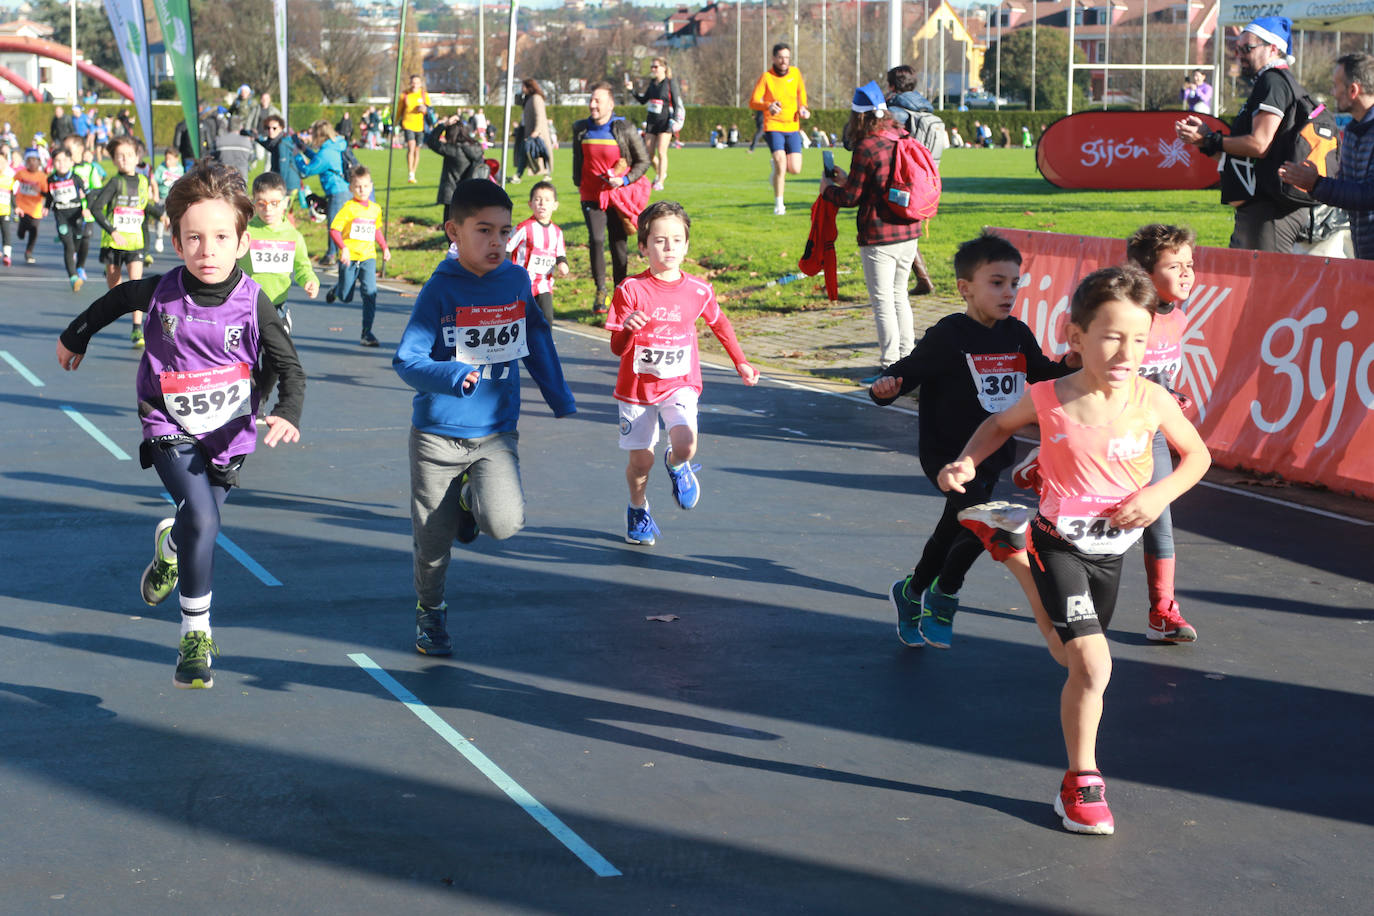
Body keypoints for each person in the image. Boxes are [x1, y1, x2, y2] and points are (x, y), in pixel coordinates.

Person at [938, 265, 1210, 834]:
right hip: (1058, 541)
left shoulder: (1153, 400)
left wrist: (1158, 494)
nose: (1125, 351)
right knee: (1093, 664)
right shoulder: (1049, 397)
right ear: (1075, 335)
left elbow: (1198, 458)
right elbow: (995, 427)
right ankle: (1080, 782)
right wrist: (967, 461)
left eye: (1138, 339)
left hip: (1111, 552)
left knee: (1071, 660)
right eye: (1111, 336)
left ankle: (1011, 555)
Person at [55, 161, 306, 690]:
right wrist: (77, 334)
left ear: (242, 242)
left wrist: (287, 411)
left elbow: (290, 366)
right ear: (175, 239)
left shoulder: (254, 303)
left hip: (229, 431)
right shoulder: (163, 292)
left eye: (219, 237)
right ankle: (196, 635)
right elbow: (118, 298)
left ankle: (170, 547)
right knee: (204, 521)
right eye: (194, 238)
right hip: (167, 421)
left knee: (199, 522)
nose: (206, 250)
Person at [393, 178, 576, 656]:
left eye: (503, 231)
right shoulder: (437, 292)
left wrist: (558, 395)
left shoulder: (516, 281)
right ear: (454, 231)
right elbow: (406, 361)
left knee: (505, 522)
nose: (496, 242)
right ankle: (430, 614)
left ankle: (471, 504)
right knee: (432, 547)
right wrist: (452, 375)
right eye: (483, 231)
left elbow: (536, 337)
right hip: (437, 438)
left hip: (495, 433)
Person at [869, 231, 1071, 648]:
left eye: (1015, 283)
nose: (1009, 292)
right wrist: (885, 388)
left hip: (993, 452)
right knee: (984, 524)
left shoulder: (1016, 333)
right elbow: (910, 369)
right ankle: (946, 592)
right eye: (997, 283)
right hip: (948, 453)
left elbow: (1042, 374)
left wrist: (1071, 364)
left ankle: (911, 591)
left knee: (955, 526)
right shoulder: (950, 335)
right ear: (965, 288)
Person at [605, 201, 759, 546]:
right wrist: (628, 328)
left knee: (686, 445)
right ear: (643, 246)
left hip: (680, 382)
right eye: (660, 240)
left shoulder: (698, 290)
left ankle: (677, 465)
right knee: (641, 463)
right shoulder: (630, 290)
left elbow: (720, 324)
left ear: (687, 244)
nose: (669, 247)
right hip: (637, 388)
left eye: (677, 239)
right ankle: (637, 508)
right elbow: (617, 348)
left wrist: (741, 361)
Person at [1176, 16, 1312, 252]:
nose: (1239, 55)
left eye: (1246, 48)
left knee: (1264, 285)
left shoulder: (1273, 82)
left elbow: (1259, 145)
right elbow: (1245, 157)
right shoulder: (1268, 82)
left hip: (1269, 212)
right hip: (1259, 208)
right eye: (1237, 48)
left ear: (1272, 48)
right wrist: (1207, 141)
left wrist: (1210, 139)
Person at [821, 82, 929, 376]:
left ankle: (890, 366)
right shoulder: (900, 136)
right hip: (909, 230)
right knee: (899, 296)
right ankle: (907, 361)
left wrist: (828, 189)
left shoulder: (866, 146)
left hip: (879, 235)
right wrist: (847, 179)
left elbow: (851, 198)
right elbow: (873, 186)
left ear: (859, 116)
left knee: (883, 302)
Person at [1280, 52, 1374, 260]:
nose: (1332, 92)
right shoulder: (1351, 131)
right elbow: (1346, 189)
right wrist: (1315, 183)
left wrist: (1316, 184)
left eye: (1335, 85)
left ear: (1353, 90)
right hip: (1364, 254)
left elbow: (1369, 195)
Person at [239, 171, 318, 413]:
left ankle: (261, 395)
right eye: (261, 204)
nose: (268, 209)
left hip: (277, 308)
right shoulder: (245, 231)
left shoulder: (293, 236)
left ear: (284, 203)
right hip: (246, 306)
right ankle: (250, 396)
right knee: (246, 359)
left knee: (275, 360)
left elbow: (303, 266)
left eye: (274, 204)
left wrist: (310, 280)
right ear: (254, 203)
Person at [571, 80, 652, 315]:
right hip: (590, 194)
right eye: (591, 99)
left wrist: (624, 181)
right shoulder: (581, 128)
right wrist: (579, 181)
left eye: (598, 100)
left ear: (610, 103)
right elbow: (579, 159)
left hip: (617, 196)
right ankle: (600, 291)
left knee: (618, 244)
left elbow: (643, 160)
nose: (592, 104)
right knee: (596, 240)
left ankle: (620, 292)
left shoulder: (623, 128)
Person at [89, 136, 152, 346]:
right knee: (116, 291)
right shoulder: (115, 182)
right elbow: (96, 209)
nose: (125, 159)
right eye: (120, 156)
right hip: (114, 243)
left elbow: (144, 209)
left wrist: (163, 215)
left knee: (136, 286)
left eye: (129, 155)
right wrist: (112, 230)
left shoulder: (143, 182)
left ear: (137, 158)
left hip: (135, 244)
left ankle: (137, 329)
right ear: (114, 160)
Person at [324, 166, 390, 347]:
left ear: (371, 186)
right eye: (358, 186)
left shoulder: (375, 209)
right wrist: (343, 248)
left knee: (370, 293)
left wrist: (384, 247)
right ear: (351, 188)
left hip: (368, 256)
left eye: (365, 186)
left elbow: (376, 229)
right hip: (349, 257)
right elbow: (334, 230)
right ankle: (336, 290)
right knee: (346, 296)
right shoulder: (348, 208)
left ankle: (367, 333)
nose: (362, 190)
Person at [750, 43, 811, 215]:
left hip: (792, 125)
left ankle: (775, 171)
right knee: (781, 162)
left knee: (795, 169)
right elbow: (753, 101)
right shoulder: (766, 77)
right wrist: (768, 105)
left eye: (787, 57)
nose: (784, 61)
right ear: (773, 58)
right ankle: (779, 205)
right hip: (773, 125)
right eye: (781, 57)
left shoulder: (796, 73)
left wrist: (803, 108)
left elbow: (802, 95)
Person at [506, 180, 568, 325]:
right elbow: (507, 248)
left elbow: (560, 254)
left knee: (546, 319)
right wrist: (507, 270)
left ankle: (545, 346)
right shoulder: (524, 227)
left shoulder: (557, 232)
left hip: (544, 284)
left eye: (547, 200)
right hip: (522, 283)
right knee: (522, 321)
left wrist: (562, 264)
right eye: (537, 200)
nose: (542, 204)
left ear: (555, 205)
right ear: (530, 204)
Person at [295, 120, 350, 267]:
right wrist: (305, 150)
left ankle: (332, 255)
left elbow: (306, 171)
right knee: (341, 225)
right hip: (345, 189)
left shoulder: (326, 153)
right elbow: (318, 160)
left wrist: (297, 156)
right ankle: (337, 254)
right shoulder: (335, 145)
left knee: (334, 225)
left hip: (336, 192)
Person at [625, 58, 683, 191]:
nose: (653, 69)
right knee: (648, 154)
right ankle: (660, 173)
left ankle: (660, 181)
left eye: (655, 67)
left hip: (665, 121)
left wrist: (674, 120)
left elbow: (677, 103)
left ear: (663, 68)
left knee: (662, 151)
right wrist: (631, 90)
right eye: (652, 67)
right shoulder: (652, 84)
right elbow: (643, 100)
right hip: (652, 121)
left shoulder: (670, 83)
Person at [45, 145, 89, 292]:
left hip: (76, 215)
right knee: (68, 247)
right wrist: (46, 207)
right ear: (53, 163)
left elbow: (87, 194)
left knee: (77, 241)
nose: (61, 163)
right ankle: (73, 278)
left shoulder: (76, 178)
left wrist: (87, 209)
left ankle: (75, 261)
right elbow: (49, 195)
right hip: (61, 216)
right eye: (57, 160)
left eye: (65, 160)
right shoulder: (51, 179)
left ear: (71, 162)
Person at [426, 114, 488, 219]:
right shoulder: (476, 147)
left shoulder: (452, 149)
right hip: (471, 193)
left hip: (452, 194)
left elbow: (431, 141)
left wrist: (444, 124)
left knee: (450, 227)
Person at [68, 136, 104, 281]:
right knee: (74, 238)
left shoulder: (90, 168)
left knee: (86, 238)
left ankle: (80, 267)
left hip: (86, 209)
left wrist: (87, 192)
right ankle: (73, 252)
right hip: (70, 209)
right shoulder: (67, 167)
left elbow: (97, 188)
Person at [253, 115, 304, 212]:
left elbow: (283, 169)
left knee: (283, 213)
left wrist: (277, 187)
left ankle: (289, 226)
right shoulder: (276, 141)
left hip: (288, 184)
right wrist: (256, 138)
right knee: (285, 212)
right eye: (268, 128)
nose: (270, 131)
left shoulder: (281, 144)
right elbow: (269, 146)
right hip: (290, 182)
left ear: (281, 128)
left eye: (274, 128)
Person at [13, 148, 48, 265]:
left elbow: (47, 194)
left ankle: (29, 252)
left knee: (34, 230)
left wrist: (40, 191)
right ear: (26, 162)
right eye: (29, 160)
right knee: (23, 229)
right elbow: (11, 182)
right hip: (22, 206)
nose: (32, 163)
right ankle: (20, 231)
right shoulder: (21, 173)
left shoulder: (42, 176)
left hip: (36, 207)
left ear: (39, 162)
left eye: (34, 160)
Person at [517, 78, 553, 180]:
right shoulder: (528, 98)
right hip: (528, 131)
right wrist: (520, 94)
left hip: (537, 133)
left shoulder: (536, 98)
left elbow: (540, 115)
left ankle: (547, 174)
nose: (522, 89)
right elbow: (517, 102)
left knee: (542, 153)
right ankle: (518, 174)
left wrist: (537, 130)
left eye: (523, 86)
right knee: (525, 153)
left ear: (529, 87)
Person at [399, 74, 431, 183]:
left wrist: (424, 109)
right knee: (411, 147)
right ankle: (410, 173)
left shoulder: (424, 95)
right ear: (410, 83)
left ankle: (413, 172)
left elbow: (429, 111)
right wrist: (394, 123)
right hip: (408, 124)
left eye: (417, 83)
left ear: (420, 84)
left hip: (420, 126)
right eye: (413, 82)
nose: (414, 85)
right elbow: (399, 110)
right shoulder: (405, 95)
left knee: (417, 150)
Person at [152, 148, 185, 253]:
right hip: (162, 197)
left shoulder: (180, 169)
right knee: (160, 217)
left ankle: (176, 239)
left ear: (176, 159)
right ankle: (159, 238)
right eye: (166, 159)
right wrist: (161, 183)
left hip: (174, 197)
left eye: (170, 159)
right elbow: (154, 180)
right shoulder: (161, 168)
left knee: (174, 218)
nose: (167, 162)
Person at [0, 145, 15, 266]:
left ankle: (7, 254)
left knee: (6, 232)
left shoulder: (9, 179)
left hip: (4, 211)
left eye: (2, 163)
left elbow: (13, 195)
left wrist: (17, 207)